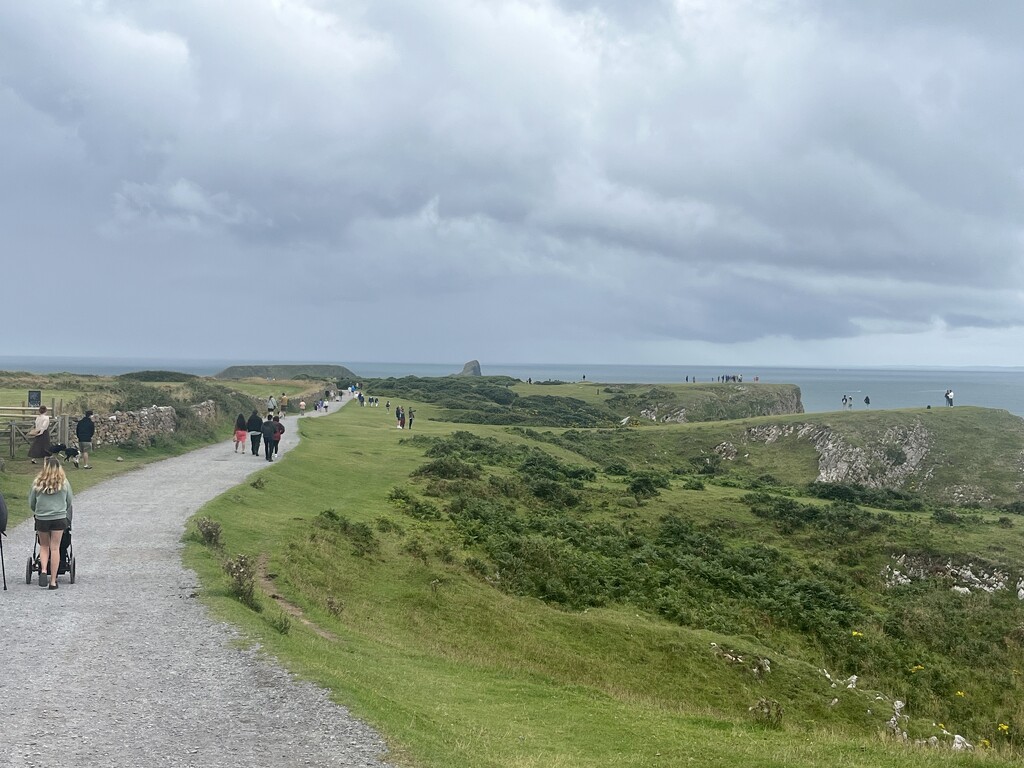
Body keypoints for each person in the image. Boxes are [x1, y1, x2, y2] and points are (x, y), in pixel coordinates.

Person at [29, 456, 72, 589]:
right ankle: (53, 581)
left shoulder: (38, 482)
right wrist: (62, 510)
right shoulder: (64, 483)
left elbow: (32, 502)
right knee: (55, 548)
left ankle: (43, 570)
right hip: (59, 518)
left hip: (42, 518)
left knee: (44, 546)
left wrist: (38, 511)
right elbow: (69, 501)